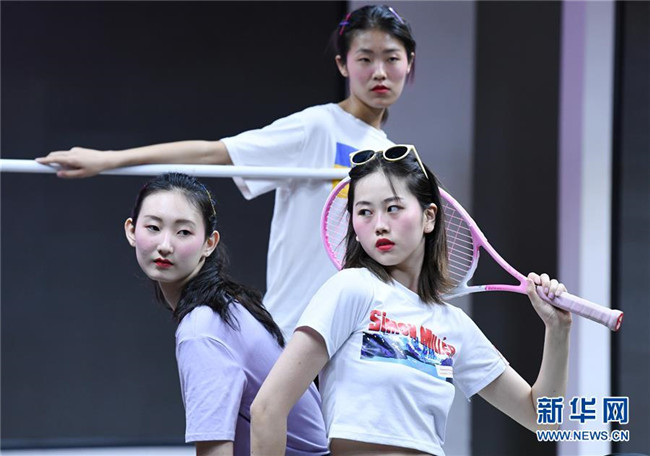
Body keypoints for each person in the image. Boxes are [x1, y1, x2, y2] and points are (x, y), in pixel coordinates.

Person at [37, 4, 416, 339]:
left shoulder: (393, 156)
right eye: (365, 59)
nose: (379, 72)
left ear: (409, 62)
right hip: (297, 326)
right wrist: (109, 159)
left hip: (356, 329)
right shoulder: (318, 127)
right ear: (343, 64)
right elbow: (215, 152)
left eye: (391, 58)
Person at [249, 146, 572, 456]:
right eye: (364, 212)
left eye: (393, 208)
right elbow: (267, 408)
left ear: (429, 217)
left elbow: (543, 420)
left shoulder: (454, 324)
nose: (379, 225)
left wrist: (557, 330)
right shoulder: (352, 288)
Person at [124, 172, 328, 456]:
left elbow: (216, 450)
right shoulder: (228, 305)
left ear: (209, 243)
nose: (165, 245)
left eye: (183, 232)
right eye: (154, 227)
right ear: (131, 231)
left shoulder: (201, 331)